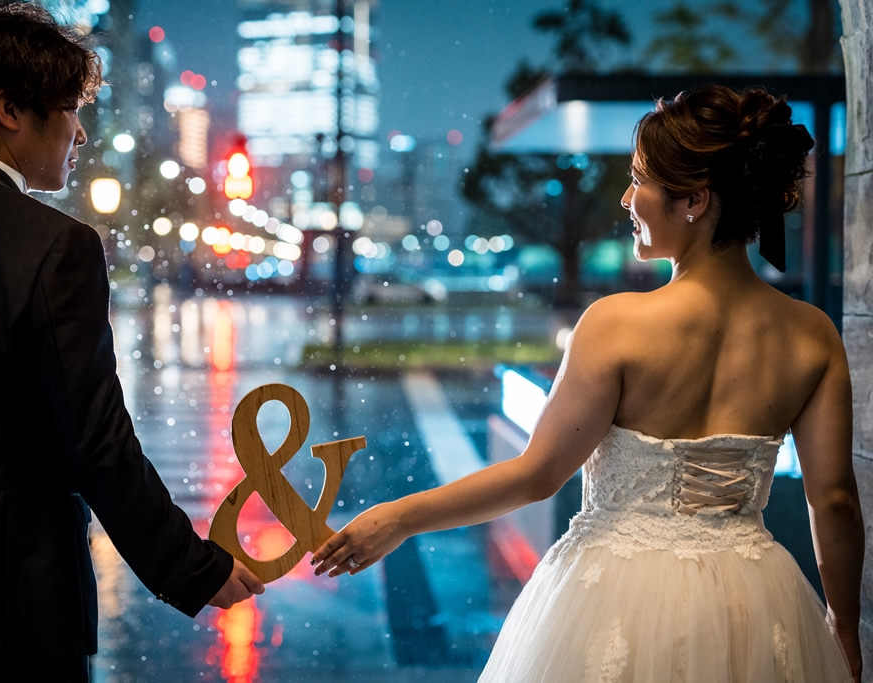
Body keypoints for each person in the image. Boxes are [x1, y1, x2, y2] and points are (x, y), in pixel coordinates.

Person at [313, 85, 864, 682]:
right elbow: (832, 501)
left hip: (617, 602)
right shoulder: (814, 336)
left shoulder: (617, 326)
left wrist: (399, 517)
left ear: (694, 201)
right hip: (758, 604)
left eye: (640, 180)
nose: (627, 198)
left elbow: (537, 474)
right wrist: (843, 624)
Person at [0, 5, 263, 680]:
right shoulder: (54, 248)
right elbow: (96, 441)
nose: (79, 132)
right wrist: (192, 566)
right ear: (10, 109)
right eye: (70, 109)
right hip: (8, 614)